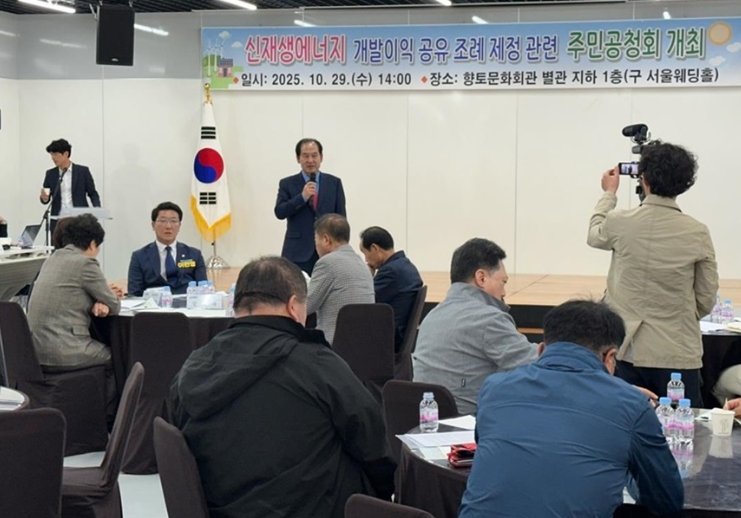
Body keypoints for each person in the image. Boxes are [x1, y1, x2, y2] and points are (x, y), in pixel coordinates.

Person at [171, 256, 395, 518]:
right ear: (293, 306)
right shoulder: (317, 363)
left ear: (236, 305)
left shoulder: (193, 366)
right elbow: (372, 441)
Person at [458, 300, 684, 518]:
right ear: (610, 357)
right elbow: (666, 500)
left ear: (541, 350)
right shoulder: (632, 405)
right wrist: (625, 469)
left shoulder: (495, 388)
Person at [587, 142, 719, 405]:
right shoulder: (697, 232)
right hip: (677, 351)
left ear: (643, 178)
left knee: (625, 422)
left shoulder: (620, 222)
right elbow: (706, 297)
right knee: (684, 426)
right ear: (685, 184)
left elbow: (594, 234)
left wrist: (609, 194)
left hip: (626, 348)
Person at [412, 238, 538, 415]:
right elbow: (536, 363)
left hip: (425, 422)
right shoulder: (489, 319)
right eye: (503, 282)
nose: (504, 292)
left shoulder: (431, 316)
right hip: (470, 424)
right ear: (481, 278)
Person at [27, 214, 122, 407]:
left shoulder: (51, 259)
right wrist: (101, 298)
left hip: (35, 351)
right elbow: (114, 305)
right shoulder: (85, 263)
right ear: (93, 244)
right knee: (117, 359)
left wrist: (98, 298)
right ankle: (109, 417)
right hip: (65, 350)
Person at [274, 138, 346, 275]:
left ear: (321, 157)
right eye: (305, 156)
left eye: (314, 155)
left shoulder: (334, 183)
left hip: (328, 250)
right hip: (297, 251)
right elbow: (280, 212)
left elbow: (341, 218)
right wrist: (302, 197)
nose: (310, 160)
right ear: (298, 158)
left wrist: (340, 247)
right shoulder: (287, 183)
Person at [307, 214, 374, 344]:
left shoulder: (327, 263)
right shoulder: (361, 264)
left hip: (332, 345)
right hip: (363, 345)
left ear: (326, 239)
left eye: (316, 241)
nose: (316, 247)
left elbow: (306, 306)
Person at [359, 226, 423, 351]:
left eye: (365, 253)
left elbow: (365, 301)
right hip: (399, 336)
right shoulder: (406, 265)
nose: (366, 259)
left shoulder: (390, 272)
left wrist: (367, 275)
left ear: (374, 248)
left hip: (387, 340)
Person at [127, 201, 207, 296]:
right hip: (153, 304)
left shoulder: (194, 255)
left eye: (173, 221)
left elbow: (203, 289)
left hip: (187, 303)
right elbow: (134, 293)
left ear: (179, 226)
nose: (168, 226)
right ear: (153, 225)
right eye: (162, 221)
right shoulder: (139, 257)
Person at [39, 139, 101, 231]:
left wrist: (97, 210)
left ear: (66, 154)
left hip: (79, 219)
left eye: (55, 154)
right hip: (59, 221)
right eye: (51, 155)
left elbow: (92, 193)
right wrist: (44, 198)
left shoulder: (82, 172)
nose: (53, 158)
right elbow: (46, 197)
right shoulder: (50, 174)